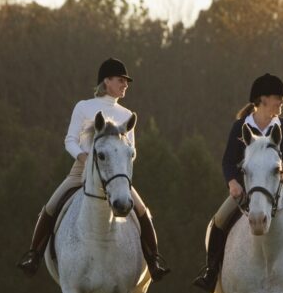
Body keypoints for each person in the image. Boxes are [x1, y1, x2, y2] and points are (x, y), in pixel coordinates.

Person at [16, 57, 170, 281]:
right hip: (81, 170)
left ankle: (154, 260)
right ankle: (34, 255)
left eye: (126, 82)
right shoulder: (84, 107)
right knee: (51, 206)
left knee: (142, 211)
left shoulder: (127, 115)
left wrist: (119, 170)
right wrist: (84, 158)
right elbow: (70, 140)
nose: (125, 84)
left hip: (114, 174)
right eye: (121, 80)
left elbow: (131, 149)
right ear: (106, 81)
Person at [192, 73, 283, 293]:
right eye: (278, 97)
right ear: (263, 99)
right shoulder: (241, 127)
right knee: (219, 221)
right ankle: (211, 273)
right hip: (246, 190)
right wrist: (232, 182)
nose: (282, 102)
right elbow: (228, 161)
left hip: (282, 189)